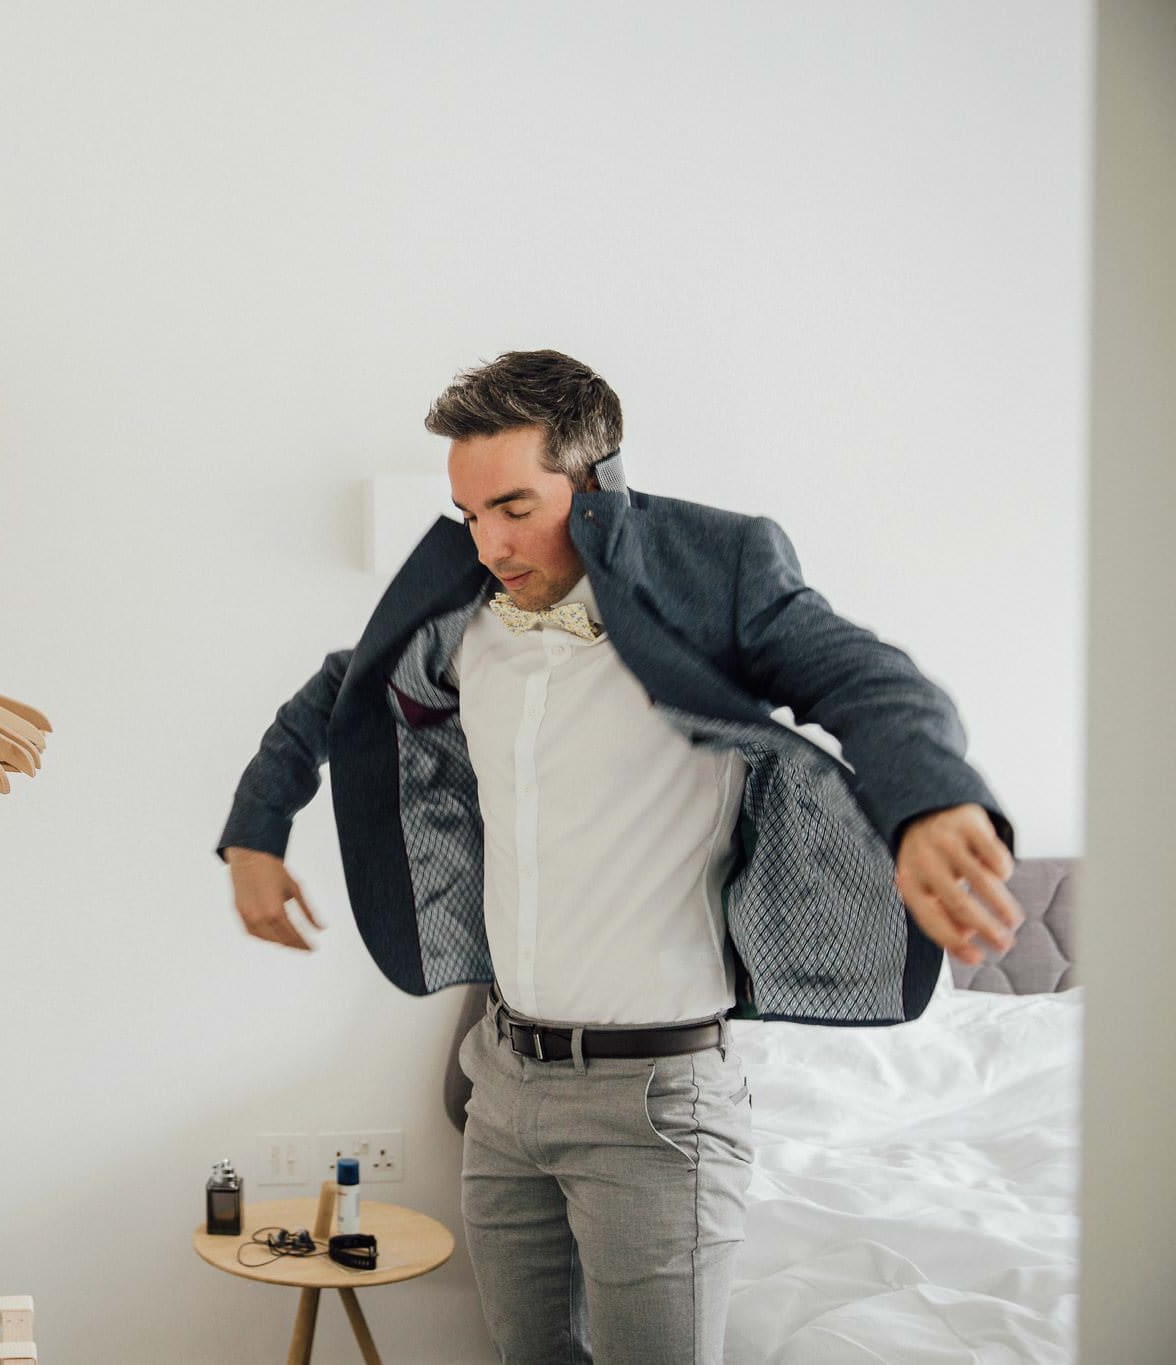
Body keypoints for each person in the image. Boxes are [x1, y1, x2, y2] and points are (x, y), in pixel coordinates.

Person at [214, 350, 1023, 1363]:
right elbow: (333, 692)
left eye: (513, 507)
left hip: (657, 1108)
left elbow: (868, 682)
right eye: (469, 514)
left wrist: (930, 799)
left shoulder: (714, 578)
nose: (488, 542)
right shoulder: (459, 615)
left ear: (593, 482)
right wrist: (255, 829)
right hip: (500, 1084)